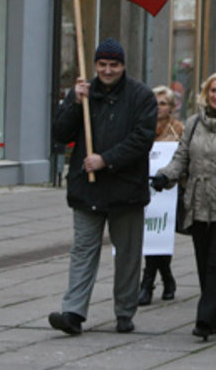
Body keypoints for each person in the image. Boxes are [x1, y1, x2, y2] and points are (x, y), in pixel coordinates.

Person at [49, 39, 157, 335]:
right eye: (102, 64)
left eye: (114, 65)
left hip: (126, 191)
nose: (108, 70)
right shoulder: (83, 94)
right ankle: (73, 311)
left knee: (127, 255)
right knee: (83, 251)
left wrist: (106, 160)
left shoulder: (141, 96)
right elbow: (60, 133)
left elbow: (142, 139)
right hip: (88, 191)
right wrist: (73, 102)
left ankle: (124, 311)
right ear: (95, 65)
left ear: (123, 65)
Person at [153, 72, 216, 339]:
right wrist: (165, 175)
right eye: (213, 91)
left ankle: (205, 319)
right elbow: (180, 157)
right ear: (206, 94)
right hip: (196, 203)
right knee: (204, 262)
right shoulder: (193, 123)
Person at [138, 86, 184, 306]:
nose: (158, 109)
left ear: (171, 107)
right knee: (151, 234)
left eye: (163, 104)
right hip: (145, 189)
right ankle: (166, 278)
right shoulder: (142, 128)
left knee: (160, 233)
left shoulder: (178, 130)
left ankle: (147, 283)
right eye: (155, 104)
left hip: (169, 192)